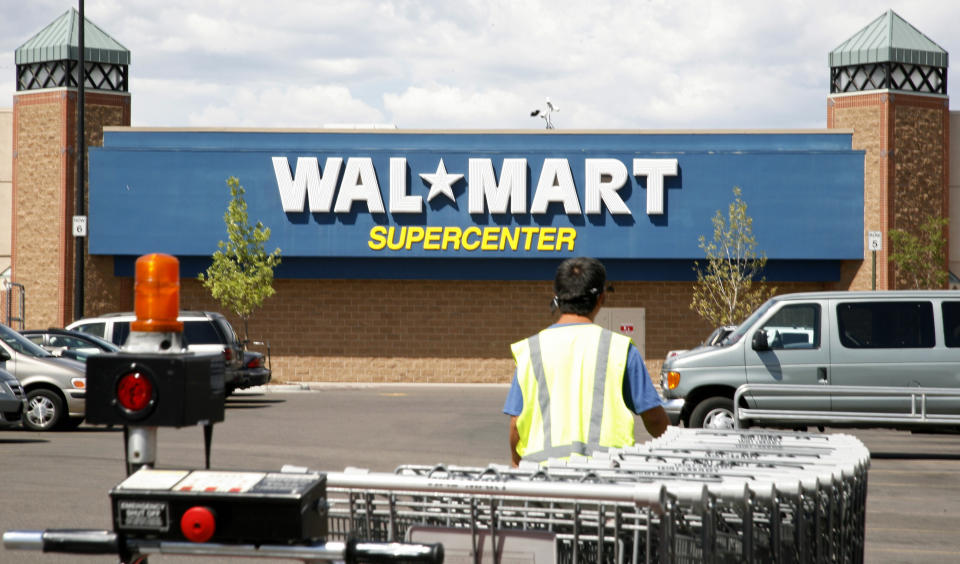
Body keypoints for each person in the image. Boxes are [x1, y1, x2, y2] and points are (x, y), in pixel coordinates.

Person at [503, 257, 669, 466]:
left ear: (557, 297)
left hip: (543, 479)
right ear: (601, 298)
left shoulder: (530, 350)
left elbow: (516, 425)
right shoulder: (620, 349)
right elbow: (654, 419)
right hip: (607, 477)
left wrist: (517, 464)